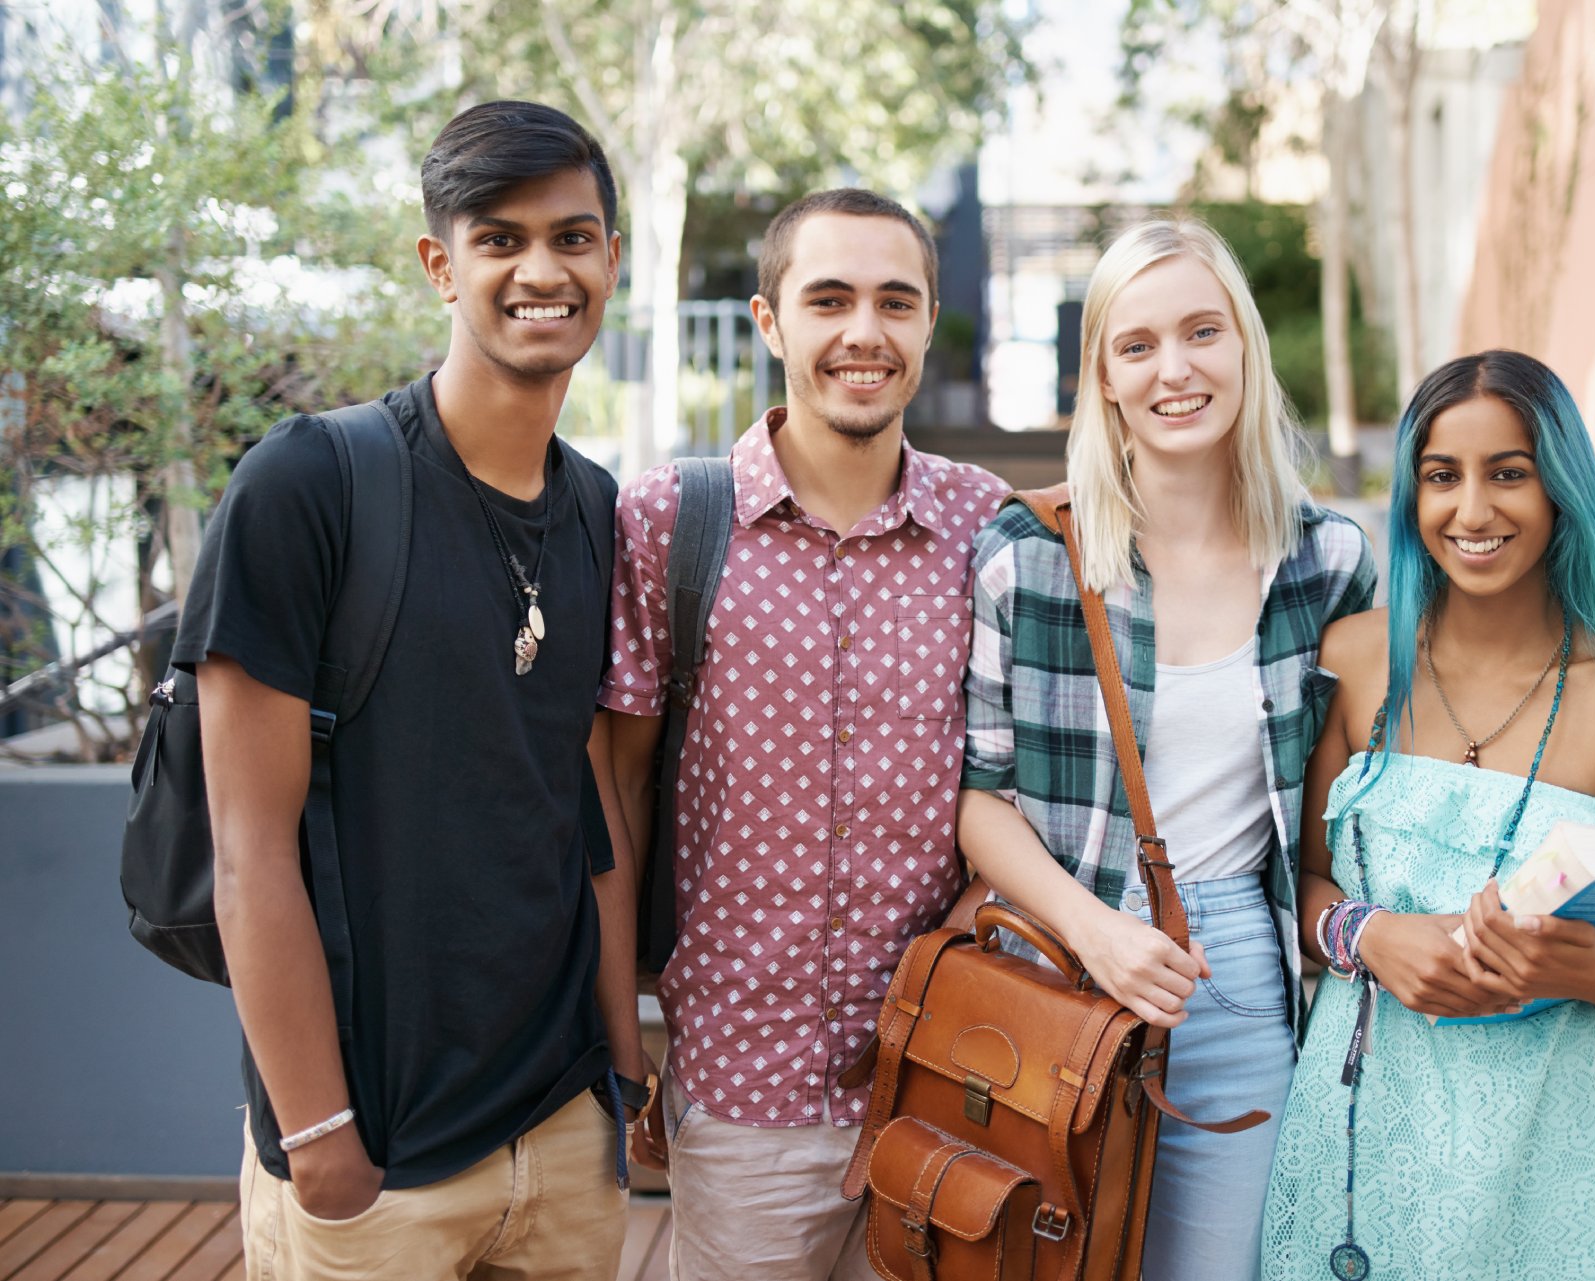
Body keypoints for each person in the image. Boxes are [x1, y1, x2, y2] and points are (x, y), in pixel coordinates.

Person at [182, 101, 649, 1280]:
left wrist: (619, 1072)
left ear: (609, 262)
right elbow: (248, 851)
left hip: (561, 1133)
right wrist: (324, 1145)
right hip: (375, 1165)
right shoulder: (308, 485)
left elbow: (581, 803)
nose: (542, 269)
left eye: (573, 237)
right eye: (500, 238)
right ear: (442, 264)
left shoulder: (597, 508)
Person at [597, 188, 1009, 1280]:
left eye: (894, 301)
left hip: (947, 1090)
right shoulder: (670, 522)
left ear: (928, 324)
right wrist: (622, 1035)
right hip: (742, 1090)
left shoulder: (989, 529)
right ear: (771, 321)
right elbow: (616, 794)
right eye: (828, 300)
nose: (862, 333)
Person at [956, 217, 1377, 1280]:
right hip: (1059, 958)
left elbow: (1359, 786)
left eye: (1203, 331)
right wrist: (1095, 931)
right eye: (1137, 345)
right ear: (1101, 376)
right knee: (1043, 1262)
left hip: (1236, 958)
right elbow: (979, 798)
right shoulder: (1029, 557)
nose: (1175, 369)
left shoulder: (1328, 563)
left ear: (1245, 345)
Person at [1260, 350, 1595, 1280]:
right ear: (1412, 496)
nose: (1472, 511)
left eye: (1508, 473)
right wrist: (1370, 935)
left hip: (1557, 1146)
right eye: (1442, 476)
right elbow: (1302, 878)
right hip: (1362, 1132)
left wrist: (1592, 967)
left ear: (1561, 490)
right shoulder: (1357, 659)